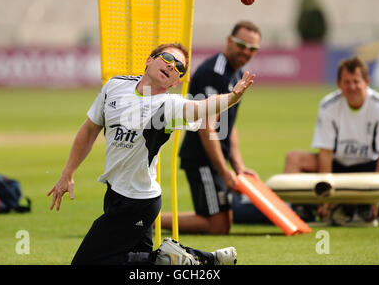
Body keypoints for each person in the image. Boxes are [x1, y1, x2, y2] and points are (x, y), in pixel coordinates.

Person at [47, 42, 255, 265]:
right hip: (116, 192)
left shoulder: (168, 105)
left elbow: (201, 107)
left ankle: (177, 260)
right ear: (149, 60)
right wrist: (67, 173)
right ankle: (207, 260)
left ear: (176, 82)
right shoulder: (115, 86)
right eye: (167, 58)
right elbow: (90, 129)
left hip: (137, 201)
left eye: (179, 68)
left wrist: (232, 97)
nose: (172, 66)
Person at [161, 21, 262, 235]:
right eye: (242, 45)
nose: (246, 51)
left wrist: (239, 166)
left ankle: (151, 220)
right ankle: (150, 222)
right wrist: (225, 171)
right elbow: (206, 125)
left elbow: (228, 125)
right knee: (218, 226)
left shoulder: (236, 73)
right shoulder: (213, 73)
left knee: (223, 221)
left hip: (213, 158)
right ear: (229, 41)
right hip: (201, 158)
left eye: (252, 48)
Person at [284, 56, 379, 224]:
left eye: (356, 81)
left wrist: (375, 199)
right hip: (337, 165)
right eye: (346, 82)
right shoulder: (328, 105)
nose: (352, 87)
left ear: (367, 82)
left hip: (370, 167)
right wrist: (325, 200)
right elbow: (325, 153)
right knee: (293, 158)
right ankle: (293, 214)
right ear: (338, 84)